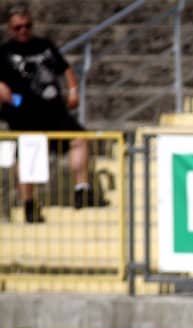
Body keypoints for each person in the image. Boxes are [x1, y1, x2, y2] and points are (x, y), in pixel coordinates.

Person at [0, 3, 103, 223]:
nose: (23, 30)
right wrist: (15, 101)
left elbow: (65, 68)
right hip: (24, 114)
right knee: (27, 155)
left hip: (53, 111)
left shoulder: (44, 45)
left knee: (79, 139)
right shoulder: (4, 52)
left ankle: (81, 189)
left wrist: (73, 90)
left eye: (27, 25)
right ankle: (29, 204)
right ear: (10, 29)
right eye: (18, 27)